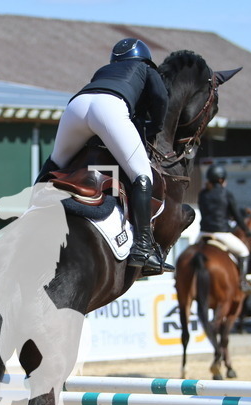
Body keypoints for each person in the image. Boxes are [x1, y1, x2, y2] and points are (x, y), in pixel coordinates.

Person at [42, 38, 171, 275]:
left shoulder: (104, 70)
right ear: (143, 57)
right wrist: (156, 126)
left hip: (76, 107)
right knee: (142, 176)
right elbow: (160, 98)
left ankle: (30, 212)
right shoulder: (146, 67)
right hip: (110, 108)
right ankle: (143, 247)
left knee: (56, 161)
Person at [197, 164, 251, 291]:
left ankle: (177, 278)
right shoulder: (226, 194)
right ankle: (243, 282)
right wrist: (246, 230)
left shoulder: (202, 194)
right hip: (221, 233)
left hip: (203, 233)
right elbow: (236, 215)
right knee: (244, 252)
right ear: (221, 180)